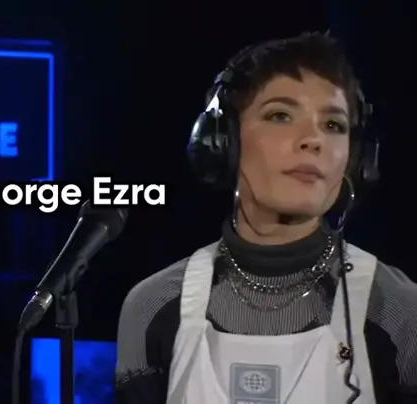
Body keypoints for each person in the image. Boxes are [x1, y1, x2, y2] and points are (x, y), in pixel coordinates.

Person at [115, 32, 417, 404]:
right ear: (223, 142)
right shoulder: (154, 306)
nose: (314, 140)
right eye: (280, 115)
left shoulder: (396, 308)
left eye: (334, 125)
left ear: (355, 160)